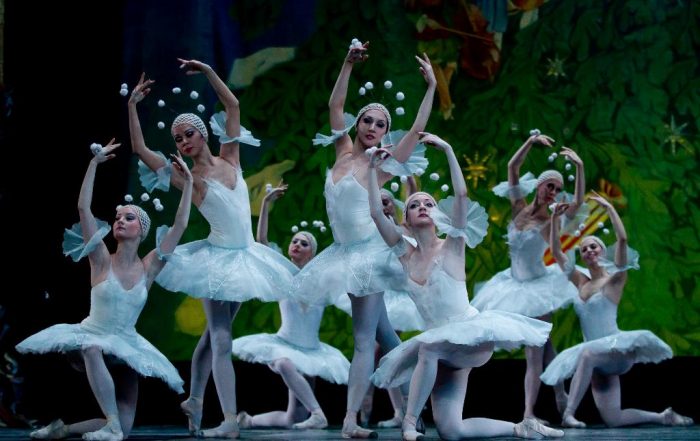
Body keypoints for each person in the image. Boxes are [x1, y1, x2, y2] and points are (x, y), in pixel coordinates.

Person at [128, 59, 297, 438]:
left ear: (203, 134)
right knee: (221, 339)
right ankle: (230, 420)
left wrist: (206, 70)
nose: (184, 142)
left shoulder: (230, 157)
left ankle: (195, 400)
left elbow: (232, 105)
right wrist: (132, 107)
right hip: (215, 262)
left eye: (189, 134)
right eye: (178, 139)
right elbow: (140, 149)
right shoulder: (189, 178)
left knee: (211, 338)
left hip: (246, 258)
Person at [368, 133, 564, 441]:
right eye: (415, 204)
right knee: (451, 430)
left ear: (438, 215)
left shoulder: (452, 245)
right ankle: (520, 427)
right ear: (406, 219)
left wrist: (447, 148)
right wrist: (371, 169)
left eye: (429, 203)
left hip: (470, 339)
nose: (423, 206)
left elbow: (461, 195)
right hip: (442, 348)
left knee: (429, 348)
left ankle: (409, 422)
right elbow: (375, 214)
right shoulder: (405, 256)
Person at [290, 40, 437, 438]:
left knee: (362, 339)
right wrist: (347, 64)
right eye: (368, 121)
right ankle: (414, 408)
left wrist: (431, 88)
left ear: (386, 133)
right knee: (386, 336)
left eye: (381, 125)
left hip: (368, 257)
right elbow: (334, 106)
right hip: (342, 253)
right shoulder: (341, 152)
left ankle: (351, 420)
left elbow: (417, 131)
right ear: (358, 124)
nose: (373, 128)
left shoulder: (381, 164)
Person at [17, 140, 192, 441]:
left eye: (129, 217)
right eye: (118, 217)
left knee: (125, 428)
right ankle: (110, 424)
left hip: (126, 344)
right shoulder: (100, 258)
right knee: (91, 347)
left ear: (142, 230)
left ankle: (64, 429)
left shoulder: (149, 267)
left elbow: (180, 224)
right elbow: (83, 208)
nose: (120, 220)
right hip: (94, 335)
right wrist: (93, 164)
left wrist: (188, 184)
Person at [542, 195, 694, 428]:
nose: (588, 250)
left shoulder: (614, 281)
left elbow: (622, 239)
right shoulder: (581, 281)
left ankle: (568, 414)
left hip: (616, 352)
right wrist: (554, 218)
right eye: (584, 249)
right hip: (598, 358)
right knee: (613, 418)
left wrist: (610, 208)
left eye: (593, 246)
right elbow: (555, 250)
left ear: (602, 251)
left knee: (586, 355)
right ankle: (664, 417)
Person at [471, 132, 584, 423]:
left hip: (537, 289)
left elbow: (577, 204)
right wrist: (531, 142)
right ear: (539, 185)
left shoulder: (550, 220)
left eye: (558, 189)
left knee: (534, 354)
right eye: (550, 185)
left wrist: (580, 167)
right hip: (511, 284)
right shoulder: (519, 208)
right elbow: (512, 167)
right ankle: (562, 397)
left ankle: (528, 414)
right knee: (546, 347)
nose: (553, 192)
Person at [231, 184, 350, 430]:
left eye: (303, 243)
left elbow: (342, 254)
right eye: (294, 241)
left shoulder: (320, 280)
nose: (296, 244)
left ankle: (248, 420)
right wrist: (265, 204)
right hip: (283, 345)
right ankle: (318, 413)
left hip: (312, 352)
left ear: (312, 253)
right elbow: (262, 242)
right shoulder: (282, 274)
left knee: (293, 417)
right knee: (284, 363)